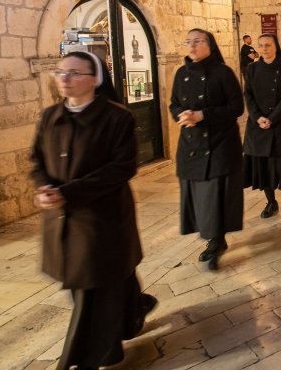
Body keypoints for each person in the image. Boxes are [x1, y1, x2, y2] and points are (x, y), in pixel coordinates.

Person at [31, 52, 156, 370]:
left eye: (74, 73)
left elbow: (122, 167)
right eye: (61, 72)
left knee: (90, 286)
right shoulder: (49, 117)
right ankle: (132, 313)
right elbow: (37, 159)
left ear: (94, 79)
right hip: (61, 220)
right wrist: (44, 187)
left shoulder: (117, 118)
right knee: (98, 279)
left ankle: (84, 359)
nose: (64, 78)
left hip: (101, 218)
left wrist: (68, 193)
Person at [170, 29, 244, 270]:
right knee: (199, 198)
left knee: (215, 196)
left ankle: (216, 241)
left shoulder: (223, 73)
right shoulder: (181, 74)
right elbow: (174, 104)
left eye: (197, 41)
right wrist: (181, 115)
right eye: (188, 41)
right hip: (191, 145)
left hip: (219, 144)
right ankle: (213, 238)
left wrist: (203, 115)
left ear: (209, 44)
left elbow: (236, 107)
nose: (192, 46)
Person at [243, 34, 281, 219]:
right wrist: (258, 117)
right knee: (262, 164)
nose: (264, 49)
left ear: (275, 46)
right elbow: (248, 96)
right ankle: (271, 201)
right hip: (257, 125)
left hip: (279, 121)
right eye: (261, 46)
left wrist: (272, 118)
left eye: (268, 45)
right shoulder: (251, 69)